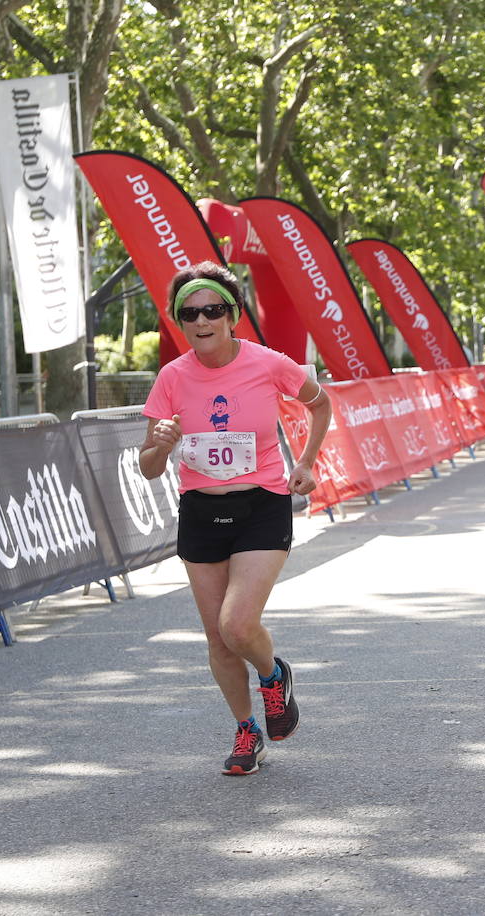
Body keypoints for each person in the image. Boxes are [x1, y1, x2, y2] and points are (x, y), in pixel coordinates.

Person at [139, 261, 332, 776]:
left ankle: (273, 676)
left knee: (236, 623)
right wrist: (158, 447)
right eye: (190, 314)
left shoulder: (269, 363)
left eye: (213, 310)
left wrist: (308, 461)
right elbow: (149, 468)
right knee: (216, 638)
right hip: (202, 510)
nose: (202, 321)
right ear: (180, 322)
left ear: (233, 316)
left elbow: (320, 403)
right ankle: (247, 730)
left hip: (261, 506)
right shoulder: (172, 378)